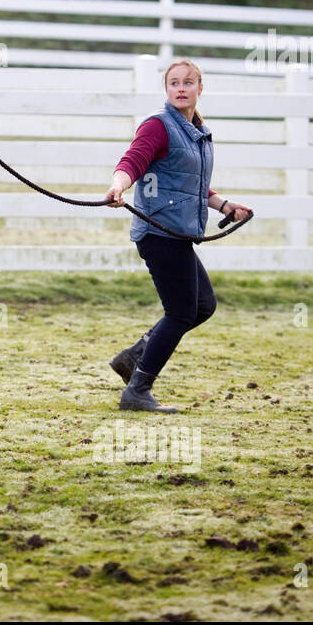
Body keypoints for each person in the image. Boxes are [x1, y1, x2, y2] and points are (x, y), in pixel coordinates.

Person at [104, 58, 251, 413]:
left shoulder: (194, 131)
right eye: (174, 83)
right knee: (182, 311)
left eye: (188, 82)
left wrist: (225, 205)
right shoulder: (159, 125)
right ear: (167, 89)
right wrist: (117, 186)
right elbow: (133, 161)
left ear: (201, 88)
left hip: (177, 233)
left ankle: (136, 355)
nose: (181, 88)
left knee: (203, 306)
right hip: (158, 232)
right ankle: (138, 388)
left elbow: (193, 185)